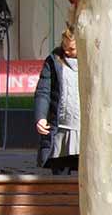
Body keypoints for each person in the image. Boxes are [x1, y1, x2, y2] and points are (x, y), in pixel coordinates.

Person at [33, 25, 80, 172]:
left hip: (82, 131)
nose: (66, 51)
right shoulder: (53, 61)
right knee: (59, 174)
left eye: (71, 49)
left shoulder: (92, 62)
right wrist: (40, 117)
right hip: (60, 131)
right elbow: (43, 91)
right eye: (64, 46)